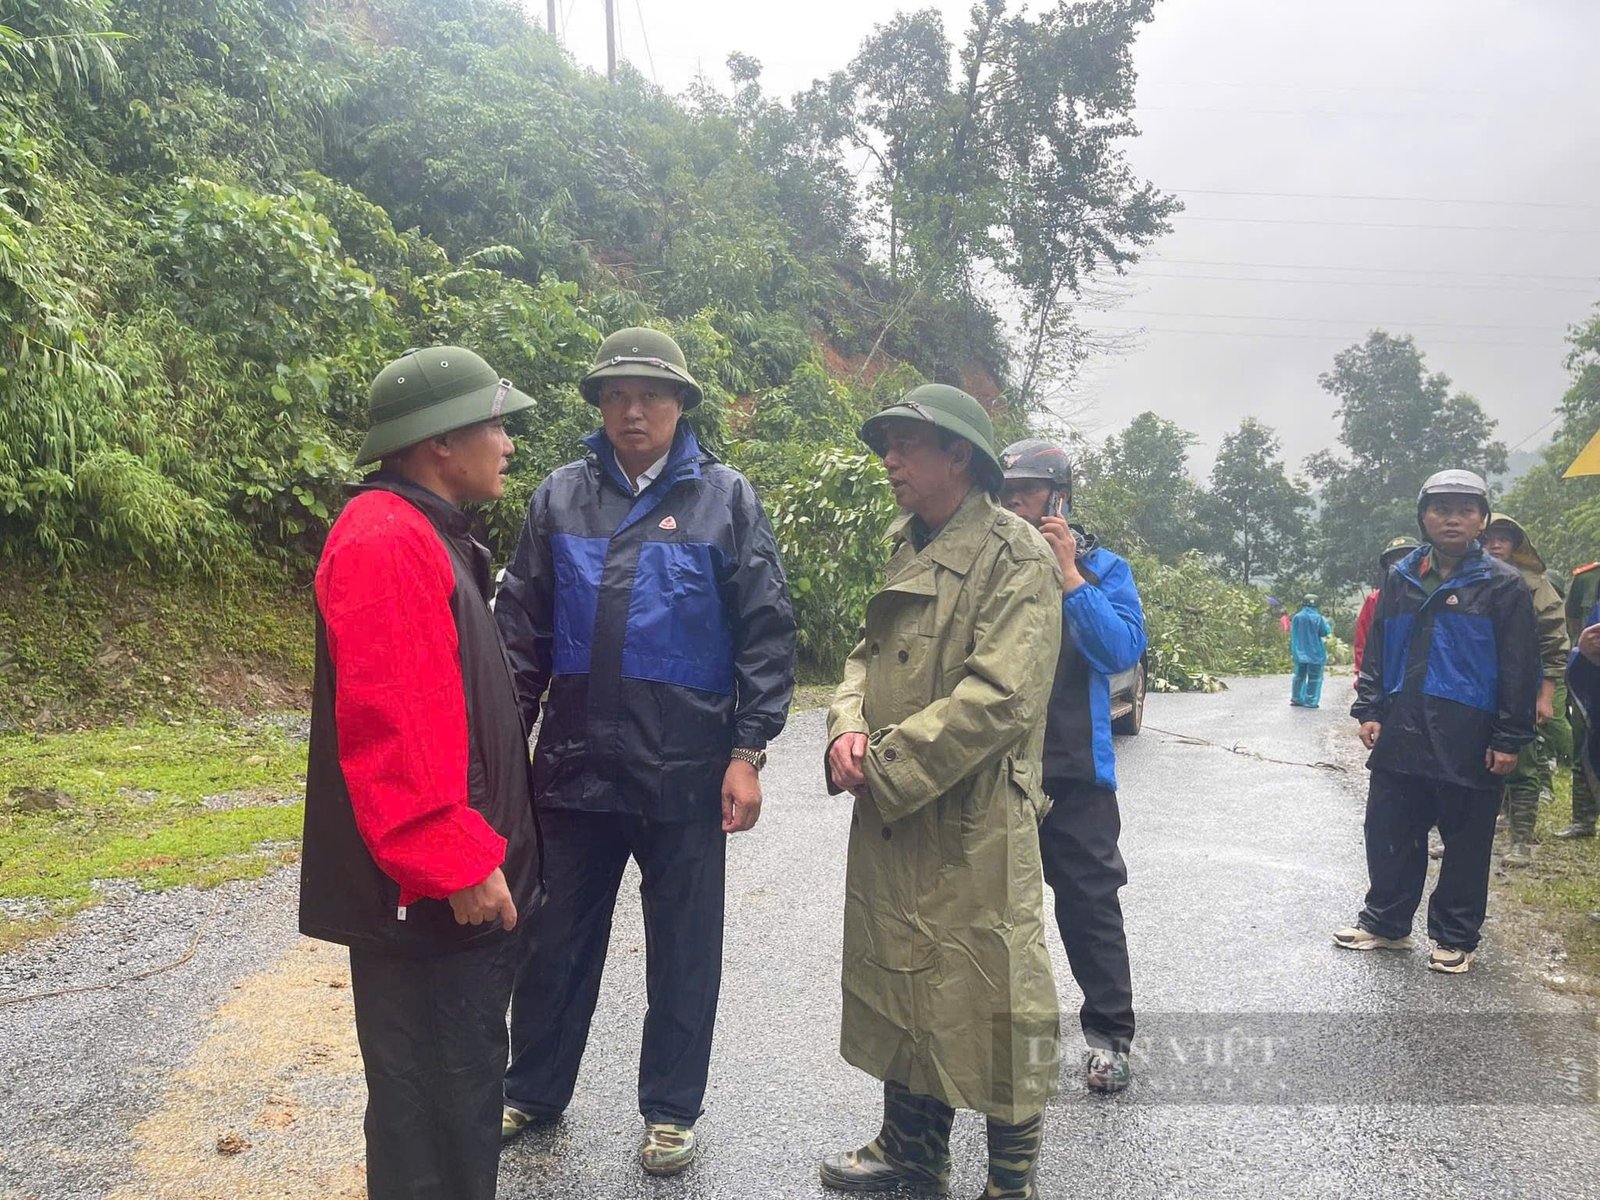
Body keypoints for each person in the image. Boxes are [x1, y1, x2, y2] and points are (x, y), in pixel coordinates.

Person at [493, 326, 796, 1176]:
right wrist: (507, 748)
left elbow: (766, 633)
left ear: (680, 406)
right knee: (553, 942)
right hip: (575, 768)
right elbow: (520, 635)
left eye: (652, 395)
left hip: (686, 773)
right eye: (617, 394)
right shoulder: (558, 497)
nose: (634, 409)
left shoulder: (726, 500)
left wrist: (748, 751)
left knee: (685, 947)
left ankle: (670, 1110)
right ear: (597, 404)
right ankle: (532, 1089)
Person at [299, 347, 545, 1200]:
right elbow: (391, 726)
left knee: (458, 1098)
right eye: (495, 423)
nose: (508, 443)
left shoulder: (429, 533)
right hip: (433, 903)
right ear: (440, 442)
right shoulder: (386, 538)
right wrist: (458, 861)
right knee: (429, 1114)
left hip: (445, 897)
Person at [821, 385, 1063, 1200]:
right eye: (885, 442)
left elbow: (1003, 697)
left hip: (975, 817)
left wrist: (883, 763)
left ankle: (1011, 1180)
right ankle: (912, 1151)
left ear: (959, 456)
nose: (888, 459)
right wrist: (845, 727)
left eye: (906, 444)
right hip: (898, 811)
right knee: (900, 972)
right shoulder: (910, 543)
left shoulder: (1017, 555)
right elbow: (864, 655)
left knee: (999, 992)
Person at [1336, 469, 1538, 974]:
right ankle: (1386, 923)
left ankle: (1454, 936)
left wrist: (1509, 736)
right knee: (1390, 827)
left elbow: (1519, 666)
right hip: (1403, 724)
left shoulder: (1503, 585)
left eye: (1465, 510)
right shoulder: (1399, 577)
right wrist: (1370, 709)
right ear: (1423, 516)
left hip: (1469, 730)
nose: (1452, 518)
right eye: (1441, 509)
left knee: (1466, 838)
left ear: (1482, 520)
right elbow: (1378, 650)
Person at [998, 438, 1145, 1094]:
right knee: (994, 909)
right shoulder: (990, 559)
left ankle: (1109, 1038)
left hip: (1076, 770)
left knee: (1089, 905)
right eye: (1005, 494)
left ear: (1058, 497)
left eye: (1025, 493)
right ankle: (996, 1038)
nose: (1013, 505)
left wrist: (1069, 577)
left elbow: (1119, 651)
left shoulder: (1104, 569)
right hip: (999, 768)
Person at [1480, 514, 1571, 867]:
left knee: (1522, 760)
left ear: (1517, 544)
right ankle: (1476, 834)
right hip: (1478, 684)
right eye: (1489, 537)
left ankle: (1521, 841)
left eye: (1504, 538)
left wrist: (1544, 694)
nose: (1496, 544)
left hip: (1522, 684)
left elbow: (1553, 640)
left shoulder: (1535, 585)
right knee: (1475, 761)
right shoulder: (1471, 577)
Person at [1555, 559, 1600, 840]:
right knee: (1585, 740)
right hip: (1591, 671)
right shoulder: (1587, 578)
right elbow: (1574, 622)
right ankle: (1583, 819)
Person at [1352, 535, 1419, 681]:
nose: (1400, 562)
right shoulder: (1375, 600)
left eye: (1407, 556)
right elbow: (1363, 642)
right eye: (1394, 558)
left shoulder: (1433, 594)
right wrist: (1363, 678)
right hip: (1386, 677)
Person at [1289, 595, 1332, 708]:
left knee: (1299, 675)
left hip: (1299, 652)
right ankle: (1311, 701)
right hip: (1315, 653)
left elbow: (1293, 633)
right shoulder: (1318, 618)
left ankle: (1297, 698)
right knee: (1315, 678)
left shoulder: (1297, 617)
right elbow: (1324, 632)